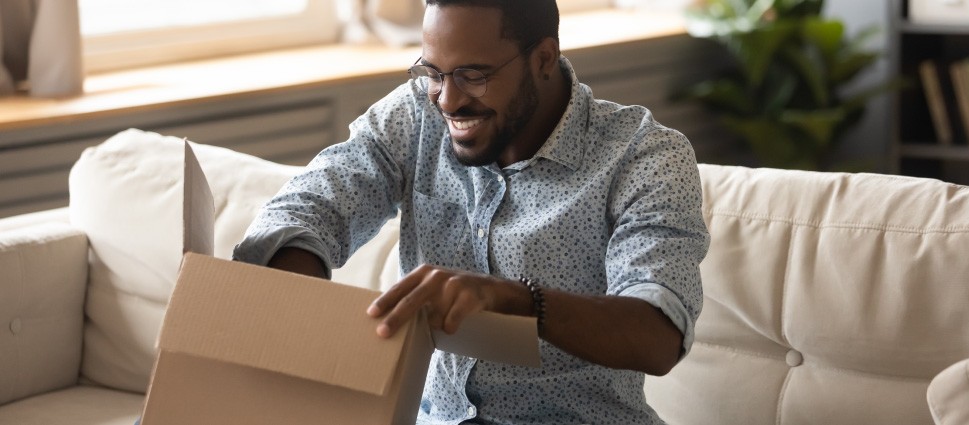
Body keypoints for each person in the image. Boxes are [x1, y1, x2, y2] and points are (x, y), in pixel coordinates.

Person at [232, 0, 709, 423]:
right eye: (434, 73)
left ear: (543, 58)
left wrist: (519, 301)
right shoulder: (418, 115)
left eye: (474, 76)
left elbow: (658, 333)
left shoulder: (644, 156)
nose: (449, 99)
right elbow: (310, 203)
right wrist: (296, 304)